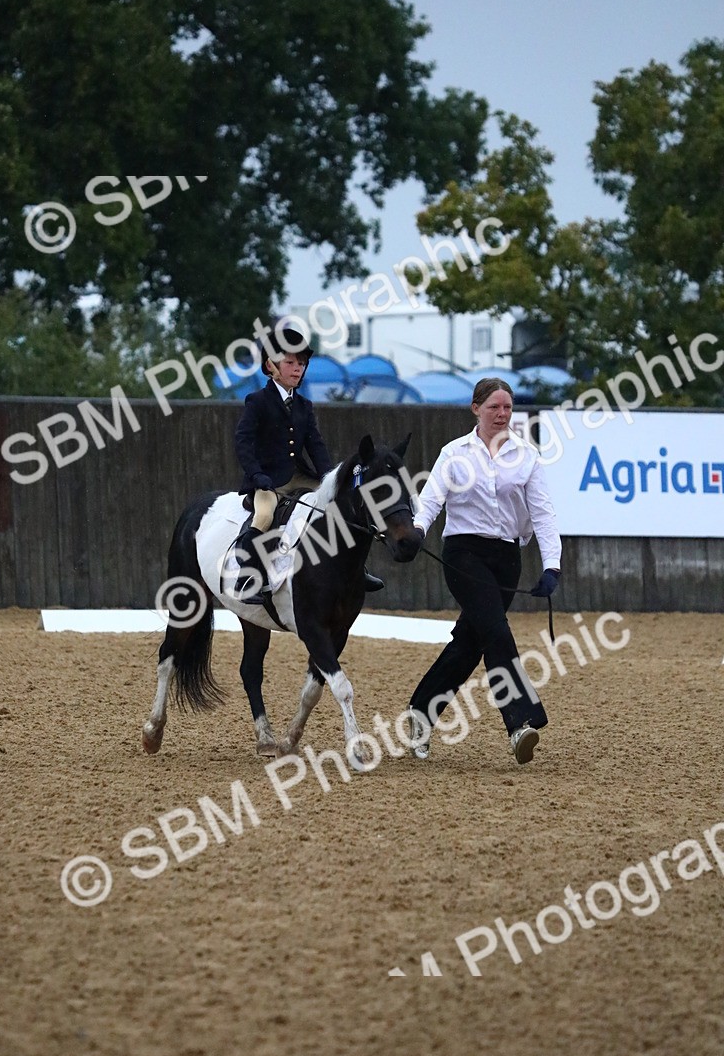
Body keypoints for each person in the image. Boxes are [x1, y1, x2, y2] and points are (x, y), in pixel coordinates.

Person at [407, 376, 561, 764]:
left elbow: (543, 514)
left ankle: (421, 712)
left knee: (470, 643)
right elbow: (431, 501)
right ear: (476, 408)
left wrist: (552, 565)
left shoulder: (526, 456)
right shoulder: (453, 453)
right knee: (495, 630)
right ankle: (519, 723)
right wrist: (417, 532)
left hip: (507, 558)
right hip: (464, 553)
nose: (502, 414)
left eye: (507, 407)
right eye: (494, 407)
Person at [233, 327, 384, 603]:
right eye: (290, 363)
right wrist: (256, 475)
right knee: (264, 516)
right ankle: (248, 578)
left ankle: (358, 568)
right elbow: (243, 442)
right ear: (271, 366)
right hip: (268, 480)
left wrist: (331, 478)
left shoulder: (304, 405)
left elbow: (315, 444)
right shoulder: (257, 401)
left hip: (299, 475)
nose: (297, 369)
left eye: (301, 364)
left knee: (343, 502)